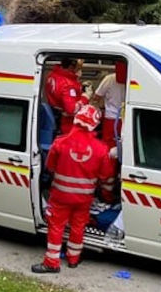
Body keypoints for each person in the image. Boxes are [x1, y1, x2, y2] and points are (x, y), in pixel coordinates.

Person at [32, 104, 115, 273]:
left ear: (77, 119)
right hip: (84, 198)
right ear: (94, 124)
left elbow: (50, 167)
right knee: (78, 226)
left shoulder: (60, 142)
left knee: (56, 227)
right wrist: (107, 195)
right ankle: (73, 258)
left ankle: (52, 263)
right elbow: (106, 177)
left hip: (61, 196)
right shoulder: (101, 149)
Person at [44, 58, 86, 134]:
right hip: (66, 123)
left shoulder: (52, 75)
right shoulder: (68, 85)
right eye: (78, 67)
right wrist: (85, 97)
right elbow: (71, 110)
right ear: (70, 67)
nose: (80, 70)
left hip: (54, 112)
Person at [93, 61, 127, 144]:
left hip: (110, 118)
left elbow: (97, 96)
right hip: (126, 118)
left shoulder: (109, 78)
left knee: (108, 146)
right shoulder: (133, 79)